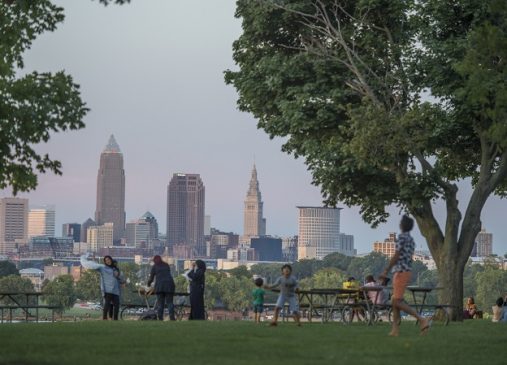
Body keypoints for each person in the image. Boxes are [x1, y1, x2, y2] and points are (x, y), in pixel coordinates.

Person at [380, 215, 431, 336]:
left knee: (397, 301)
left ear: (402, 225)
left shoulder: (402, 238)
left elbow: (397, 255)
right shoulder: (411, 240)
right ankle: (395, 329)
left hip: (400, 271)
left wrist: (386, 270)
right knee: (395, 300)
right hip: (407, 270)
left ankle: (421, 319)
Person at [80, 254, 122, 320]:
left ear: (111, 260)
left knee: (117, 305)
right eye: (106, 260)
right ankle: (104, 318)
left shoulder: (115, 268)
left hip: (116, 290)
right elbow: (94, 266)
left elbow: (119, 277)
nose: (108, 261)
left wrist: (123, 282)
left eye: (109, 259)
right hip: (107, 290)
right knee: (107, 305)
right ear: (105, 262)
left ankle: (115, 319)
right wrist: (88, 259)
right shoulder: (102, 267)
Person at [147, 255, 176, 321]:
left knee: (160, 304)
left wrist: (148, 285)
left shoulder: (155, 267)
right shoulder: (166, 265)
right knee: (170, 303)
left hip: (160, 287)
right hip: (169, 285)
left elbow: (151, 278)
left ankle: (160, 318)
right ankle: (172, 318)